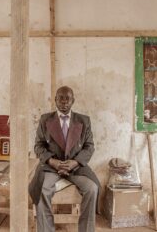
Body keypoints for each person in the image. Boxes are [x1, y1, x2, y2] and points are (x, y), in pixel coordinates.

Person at [29, 86, 100, 232]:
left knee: (92, 188)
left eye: (67, 98)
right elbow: (38, 146)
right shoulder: (45, 120)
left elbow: (89, 147)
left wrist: (75, 162)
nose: (64, 102)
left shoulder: (84, 121)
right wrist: (51, 161)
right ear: (55, 100)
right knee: (42, 188)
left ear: (73, 101)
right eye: (60, 98)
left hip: (76, 166)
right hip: (51, 166)